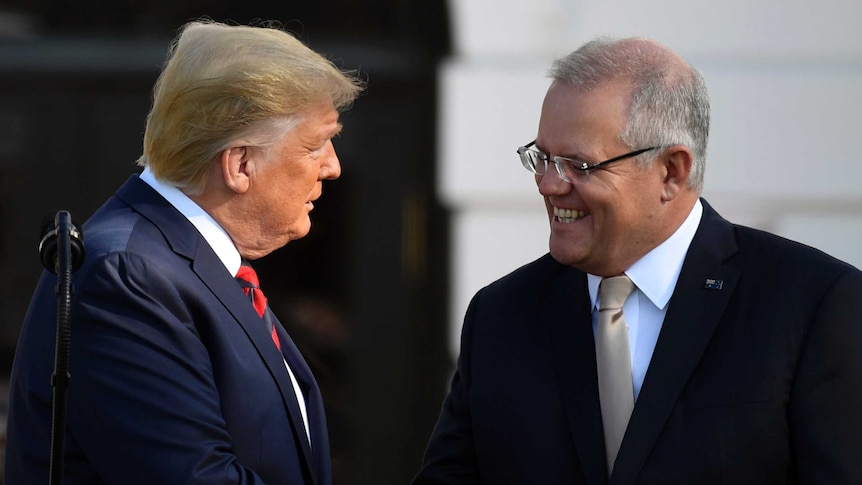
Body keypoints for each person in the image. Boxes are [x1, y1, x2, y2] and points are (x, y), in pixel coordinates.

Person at [414, 36, 862, 484]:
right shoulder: (500, 316)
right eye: (543, 158)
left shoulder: (811, 305)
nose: (549, 185)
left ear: (671, 171)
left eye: (578, 165)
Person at [6, 20, 362, 484]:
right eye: (314, 145)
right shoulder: (128, 275)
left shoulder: (186, 266)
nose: (332, 167)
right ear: (239, 164)